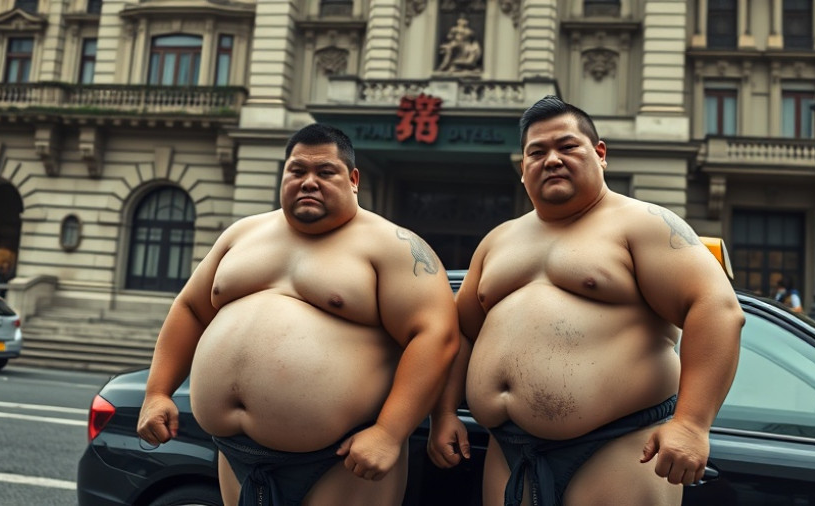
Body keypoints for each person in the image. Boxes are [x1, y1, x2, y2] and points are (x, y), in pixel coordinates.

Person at [427, 96, 744, 505]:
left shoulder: (643, 223)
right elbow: (461, 333)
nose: (552, 159)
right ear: (522, 169)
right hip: (508, 452)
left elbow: (716, 309)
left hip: (618, 446)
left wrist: (692, 424)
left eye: (568, 146)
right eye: (536, 152)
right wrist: (445, 411)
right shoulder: (498, 239)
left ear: (600, 154)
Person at [136, 124, 459, 506]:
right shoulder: (242, 234)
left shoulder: (392, 245)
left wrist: (389, 432)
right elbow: (190, 308)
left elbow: (436, 335)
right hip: (236, 453)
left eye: (325, 172)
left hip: (340, 461)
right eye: (297, 171)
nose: (309, 182)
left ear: (353, 179)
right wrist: (157, 392)